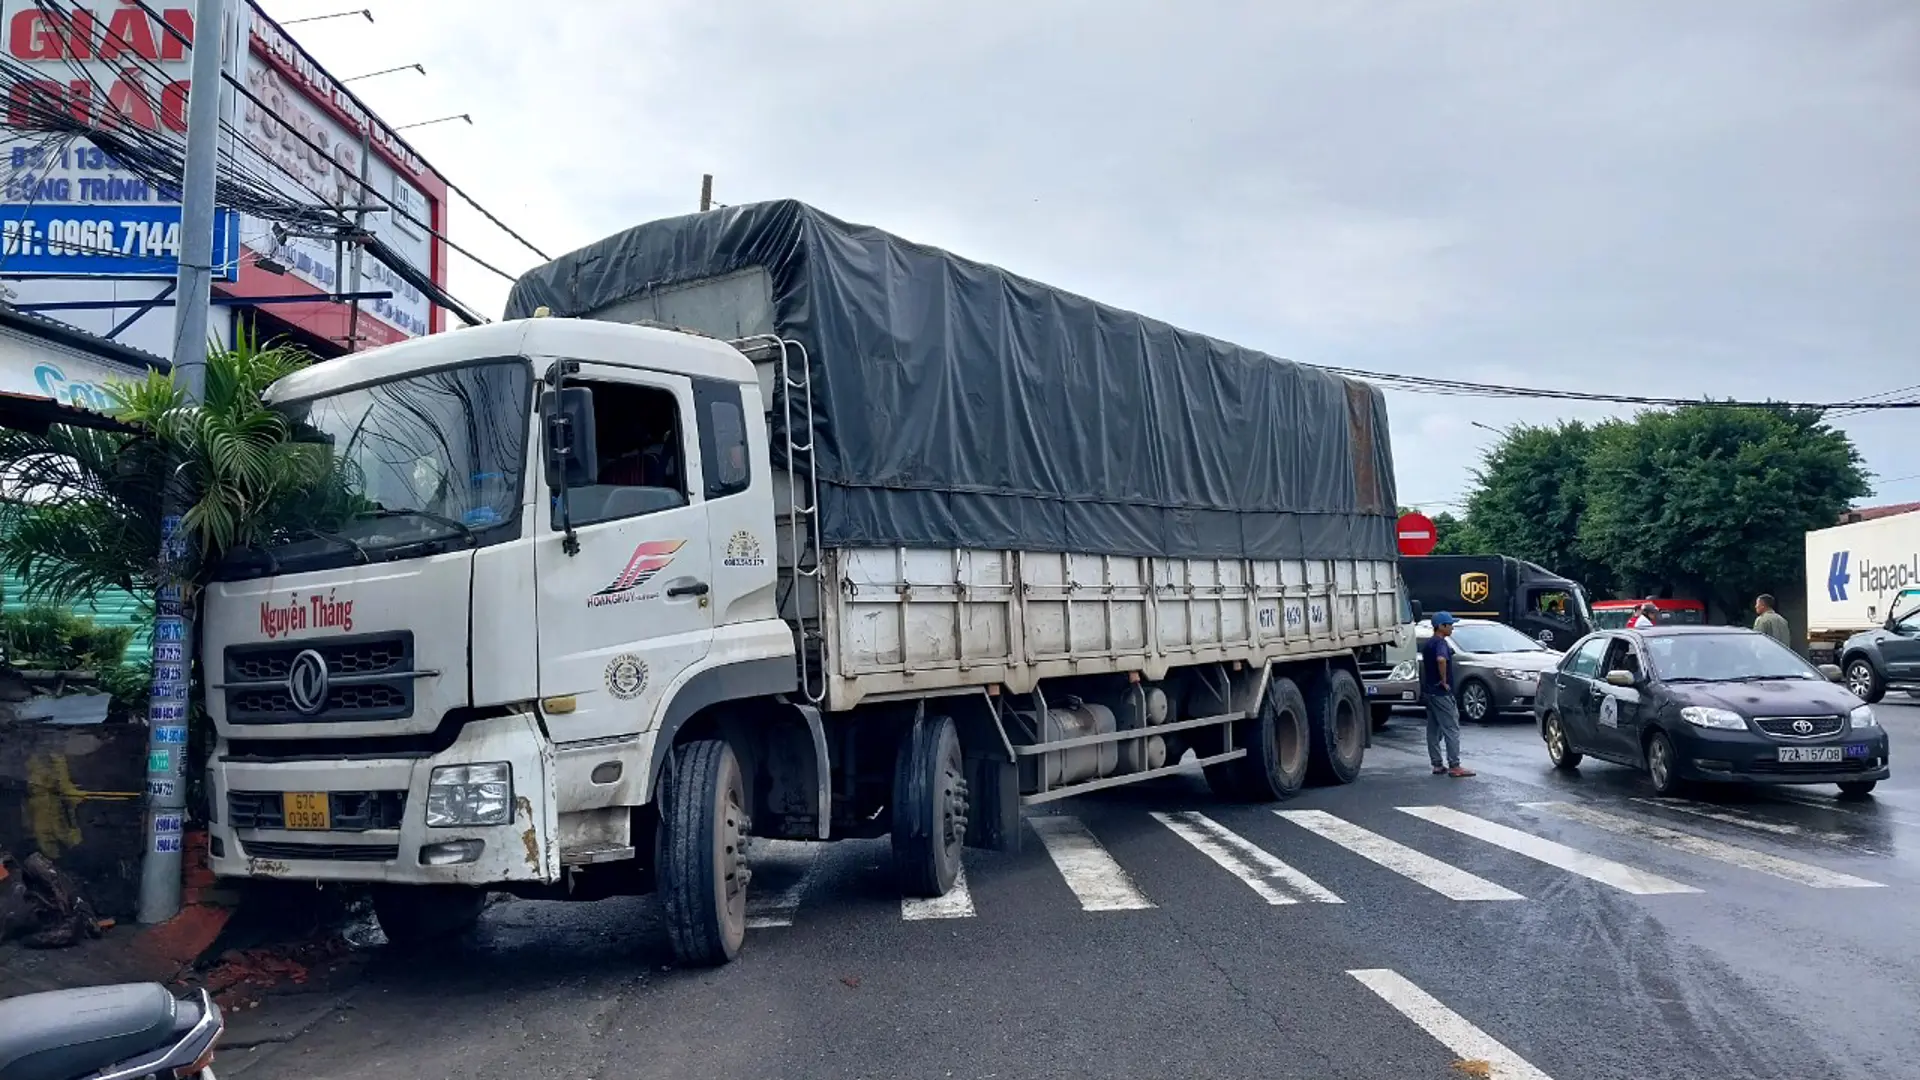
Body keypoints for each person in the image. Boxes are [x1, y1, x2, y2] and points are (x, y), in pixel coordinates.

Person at [1421, 612, 1474, 778]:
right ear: (1441, 626)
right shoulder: (1441, 643)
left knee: (1433, 728)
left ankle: (1437, 764)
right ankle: (1454, 765)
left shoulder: (1428, 644)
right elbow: (1441, 660)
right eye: (1450, 625)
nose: (1452, 627)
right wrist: (1444, 680)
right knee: (1451, 728)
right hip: (1441, 693)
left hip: (1429, 692)